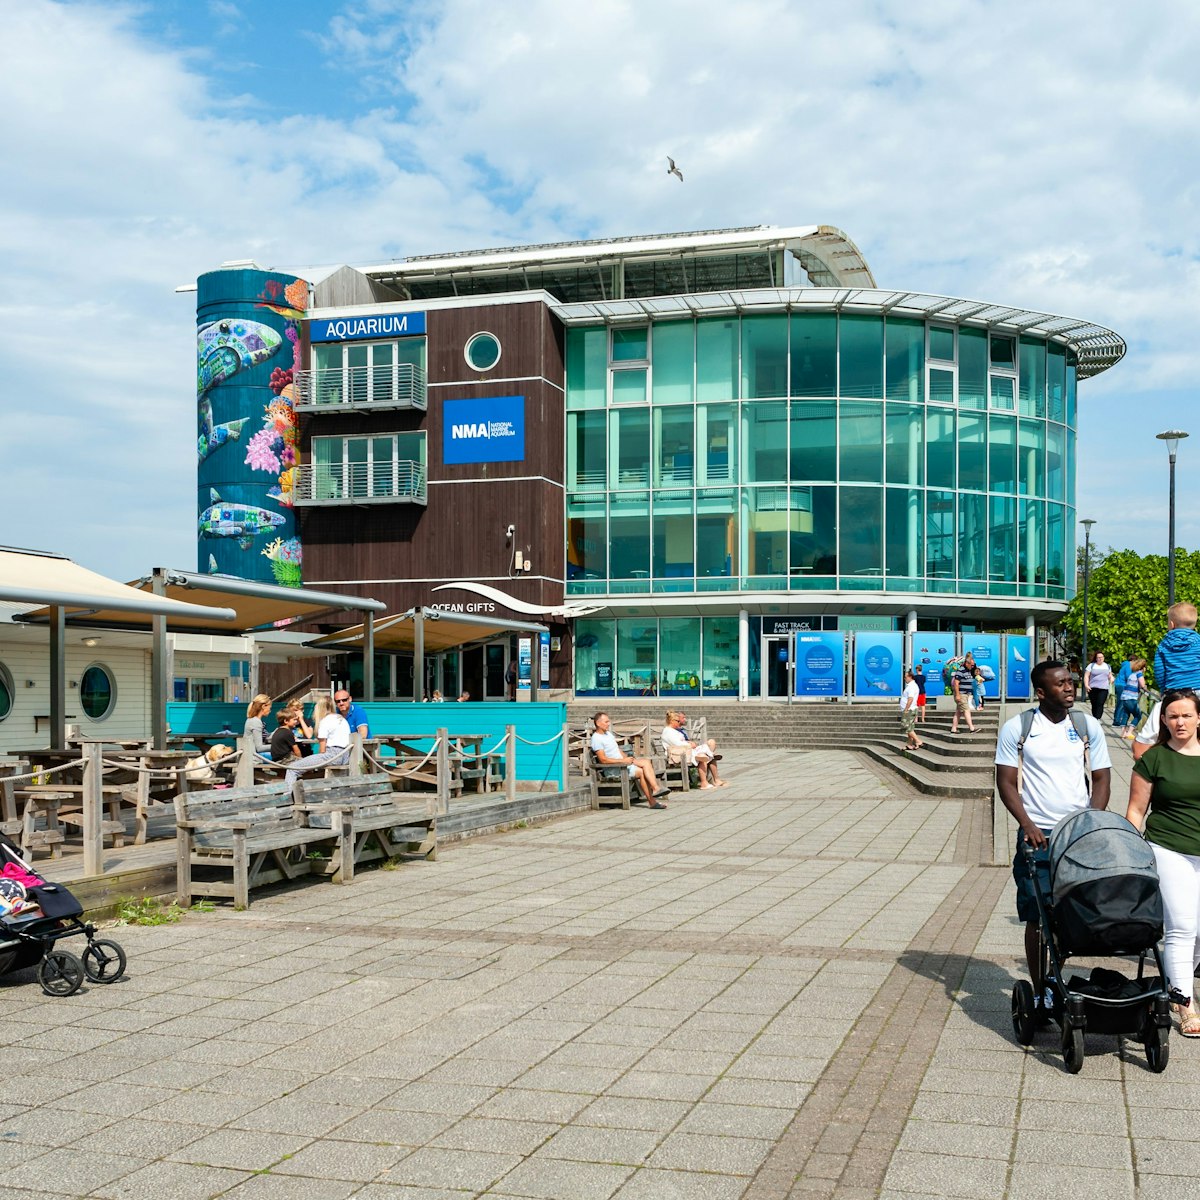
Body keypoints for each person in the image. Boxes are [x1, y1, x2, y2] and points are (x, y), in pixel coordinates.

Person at [995, 660, 1112, 1007]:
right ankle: (1039, 987)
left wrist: (1092, 820)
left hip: (1077, 832)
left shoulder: (1086, 724)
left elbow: (1103, 777)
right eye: (1060, 683)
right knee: (1037, 913)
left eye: (1071, 682)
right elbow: (1006, 781)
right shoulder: (1019, 727)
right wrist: (1027, 824)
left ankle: (1053, 979)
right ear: (1041, 691)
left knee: (1068, 912)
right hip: (1038, 833)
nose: (1069, 687)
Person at [1126, 688, 1200, 1036]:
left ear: (1199, 717)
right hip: (1169, 847)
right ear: (1164, 721)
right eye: (1172, 716)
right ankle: (1185, 1003)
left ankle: (1175, 984)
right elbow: (1137, 810)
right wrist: (1126, 852)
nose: (1179, 722)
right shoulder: (1153, 759)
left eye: (1186, 715)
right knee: (1183, 927)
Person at [1134, 603, 1200, 761]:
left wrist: (1165, 690)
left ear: (1171, 624)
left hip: (1173, 693)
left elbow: (1160, 670)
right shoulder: (1198, 642)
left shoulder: (1163, 645)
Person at [591, 712, 670, 807]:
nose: (609, 723)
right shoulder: (596, 738)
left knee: (646, 762)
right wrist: (623, 761)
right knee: (642, 771)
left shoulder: (608, 734)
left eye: (609, 721)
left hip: (622, 765)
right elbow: (603, 760)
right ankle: (654, 794)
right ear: (598, 723)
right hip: (614, 769)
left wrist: (629, 759)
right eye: (606, 722)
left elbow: (618, 750)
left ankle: (655, 791)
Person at [286, 693, 350, 785]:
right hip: (345, 756)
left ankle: (287, 796)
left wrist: (316, 762)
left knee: (292, 769)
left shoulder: (325, 721)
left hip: (332, 755)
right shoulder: (342, 719)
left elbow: (322, 750)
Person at [661, 710, 725, 788]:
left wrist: (689, 743)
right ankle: (705, 781)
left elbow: (680, 743)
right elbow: (678, 744)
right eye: (678, 721)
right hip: (677, 755)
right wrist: (689, 744)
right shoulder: (668, 732)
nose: (679, 723)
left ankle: (707, 781)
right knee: (703, 756)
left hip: (683, 752)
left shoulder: (672, 731)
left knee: (703, 754)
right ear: (672, 721)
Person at [1115, 658, 1147, 739]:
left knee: (1126, 714)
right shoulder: (1139, 674)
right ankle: (1129, 732)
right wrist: (1144, 687)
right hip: (1131, 698)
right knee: (1138, 715)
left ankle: (1123, 733)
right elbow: (1142, 684)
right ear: (1142, 667)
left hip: (1125, 696)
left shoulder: (1132, 674)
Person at [949, 658, 977, 734]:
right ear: (967, 663)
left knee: (958, 712)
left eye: (973, 665)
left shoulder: (969, 671)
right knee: (966, 710)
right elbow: (956, 683)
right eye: (971, 665)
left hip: (966, 694)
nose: (972, 666)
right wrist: (957, 695)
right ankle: (972, 728)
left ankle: (953, 729)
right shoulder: (960, 671)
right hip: (961, 694)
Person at [1083, 651, 1113, 721]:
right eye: (1098, 657)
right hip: (1093, 688)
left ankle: (1098, 718)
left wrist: (1111, 678)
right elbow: (1086, 676)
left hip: (1103, 688)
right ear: (1096, 658)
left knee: (1100, 703)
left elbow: (1110, 675)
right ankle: (1094, 717)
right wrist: (1086, 685)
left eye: (1101, 657)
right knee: (1094, 704)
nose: (1100, 659)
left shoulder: (1107, 666)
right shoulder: (1091, 665)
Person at [243, 694, 272, 759]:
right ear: (264, 706)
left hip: (252, 755)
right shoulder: (256, 722)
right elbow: (259, 748)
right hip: (254, 757)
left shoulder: (252, 720)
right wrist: (278, 746)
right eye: (269, 708)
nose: (270, 711)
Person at [900, 670, 923, 751]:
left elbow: (910, 698)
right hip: (911, 709)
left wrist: (906, 709)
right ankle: (909, 744)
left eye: (905, 677)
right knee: (910, 727)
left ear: (910, 677)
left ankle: (918, 741)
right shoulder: (911, 686)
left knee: (906, 727)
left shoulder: (912, 687)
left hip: (909, 710)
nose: (904, 678)